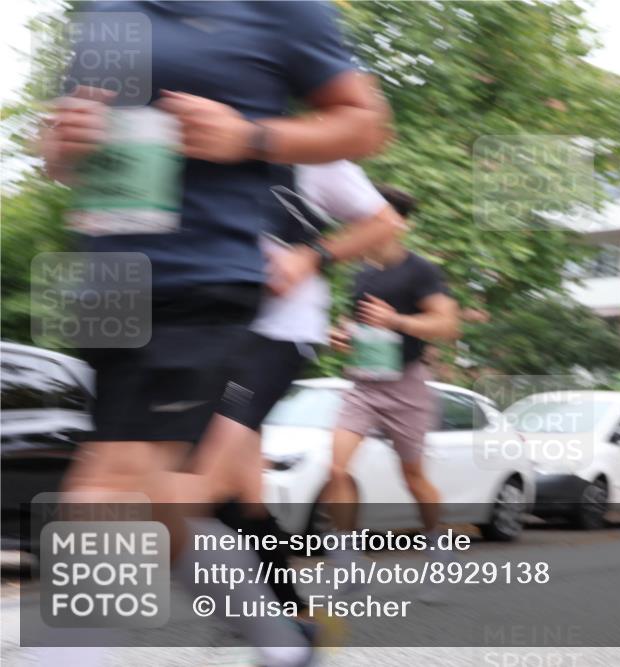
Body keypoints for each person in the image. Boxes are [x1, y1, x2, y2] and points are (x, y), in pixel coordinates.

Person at [40, 3, 391, 665]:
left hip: (204, 281)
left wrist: (250, 138)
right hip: (108, 284)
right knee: (164, 495)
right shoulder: (110, 12)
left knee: (110, 490)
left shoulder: (279, 10)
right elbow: (60, 157)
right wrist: (66, 140)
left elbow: (367, 123)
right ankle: (283, 642)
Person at [199, 160, 404, 619]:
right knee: (244, 493)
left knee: (200, 478)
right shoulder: (197, 135)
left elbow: (383, 222)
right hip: (214, 330)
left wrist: (309, 256)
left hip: (279, 332)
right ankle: (291, 617)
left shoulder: (316, 153)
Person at [322, 187, 460, 564]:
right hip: (364, 385)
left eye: (371, 217)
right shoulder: (361, 275)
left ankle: (437, 544)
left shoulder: (421, 271)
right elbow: (359, 327)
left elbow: (447, 325)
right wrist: (343, 336)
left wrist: (395, 320)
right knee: (335, 468)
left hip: (407, 385)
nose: (362, 225)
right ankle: (348, 557)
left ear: (396, 224)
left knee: (412, 476)